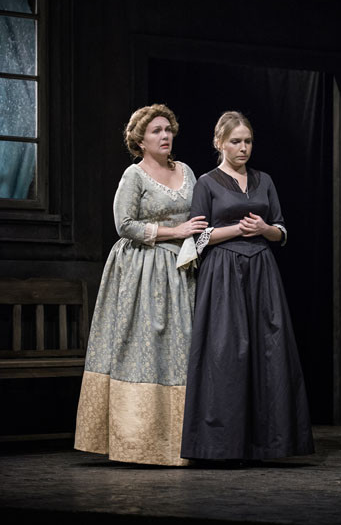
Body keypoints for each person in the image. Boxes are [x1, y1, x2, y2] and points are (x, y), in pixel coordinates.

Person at [74, 104, 207, 465]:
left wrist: (197, 239)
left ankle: (182, 443)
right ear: (140, 140)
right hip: (142, 270)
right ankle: (138, 442)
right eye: (156, 131)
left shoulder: (186, 171)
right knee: (143, 348)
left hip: (181, 269)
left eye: (168, 129)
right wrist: (174, 231)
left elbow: (199, 219)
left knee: (180, 349)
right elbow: (124, 224)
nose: (165, 136)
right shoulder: (134, 175)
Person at [181, 111, 314, 462]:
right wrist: (238, 230)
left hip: (261, 270)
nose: (243, 148)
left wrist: (264, 230)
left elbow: (281, 230)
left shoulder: (264, 180)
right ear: (219, 143)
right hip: (223, 272)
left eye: (248, 141)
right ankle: (223, 445)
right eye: (236, 141)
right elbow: (197, 238)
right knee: (226, 353)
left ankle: (268, 444)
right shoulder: (206, 183)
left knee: (269, 350)